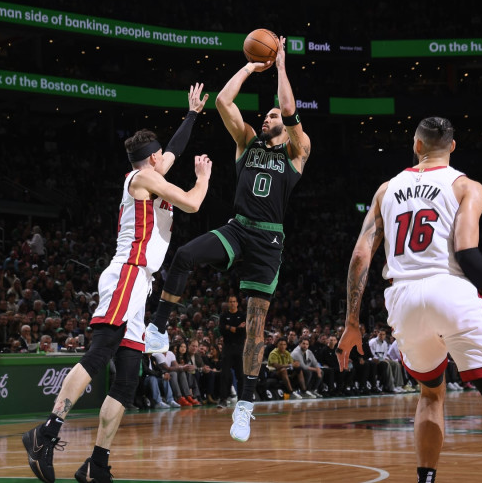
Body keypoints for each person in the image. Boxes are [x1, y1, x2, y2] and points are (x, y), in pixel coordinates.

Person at [22, 84, 211, 483]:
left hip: (140, 285)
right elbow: (193, 203)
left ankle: (97, 464)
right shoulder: (142, 179)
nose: (166, 158)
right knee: (100, 353)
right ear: (150, 160)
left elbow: (174, 147)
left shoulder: (152, 173)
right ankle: (46, 432)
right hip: (127, 272)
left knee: (128, 375)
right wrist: (203, 177)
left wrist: (191, 114)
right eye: (161, 155)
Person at [337, 117, 482, 483]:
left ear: (416, 145)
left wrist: (352, 323)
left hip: (403, 297)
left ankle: (425, 479)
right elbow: (468, 253)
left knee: (430, 391)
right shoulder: (466, 186)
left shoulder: (386, 189)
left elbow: (360, 257)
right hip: (450, 290)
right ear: (453, 147)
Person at [145, 37, 311, 442]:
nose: (269, 117)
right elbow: (223, 103)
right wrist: (252, 67)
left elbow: (289, 109)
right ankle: (160, 328)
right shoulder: (246, 142)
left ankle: (246, 406)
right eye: (268, 115)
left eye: (273, 115)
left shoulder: (296, 152)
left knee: (256, 326)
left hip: (268, 243)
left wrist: (282, 65)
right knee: (184, 254)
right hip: (238, 228)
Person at [217, 295, 245, 407]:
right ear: (228, 303)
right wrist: (234, 328)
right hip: (227, 347)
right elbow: (221, 330)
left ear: (237, 303)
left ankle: (242, 400)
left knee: (241, 375)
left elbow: (243, 332)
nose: (232, 303)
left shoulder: (242, 315)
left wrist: (231, 328)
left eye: (234, 301)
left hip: (239, 347)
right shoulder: (224, 316)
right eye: (230, 301)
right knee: (225, 374)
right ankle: (223, 399)